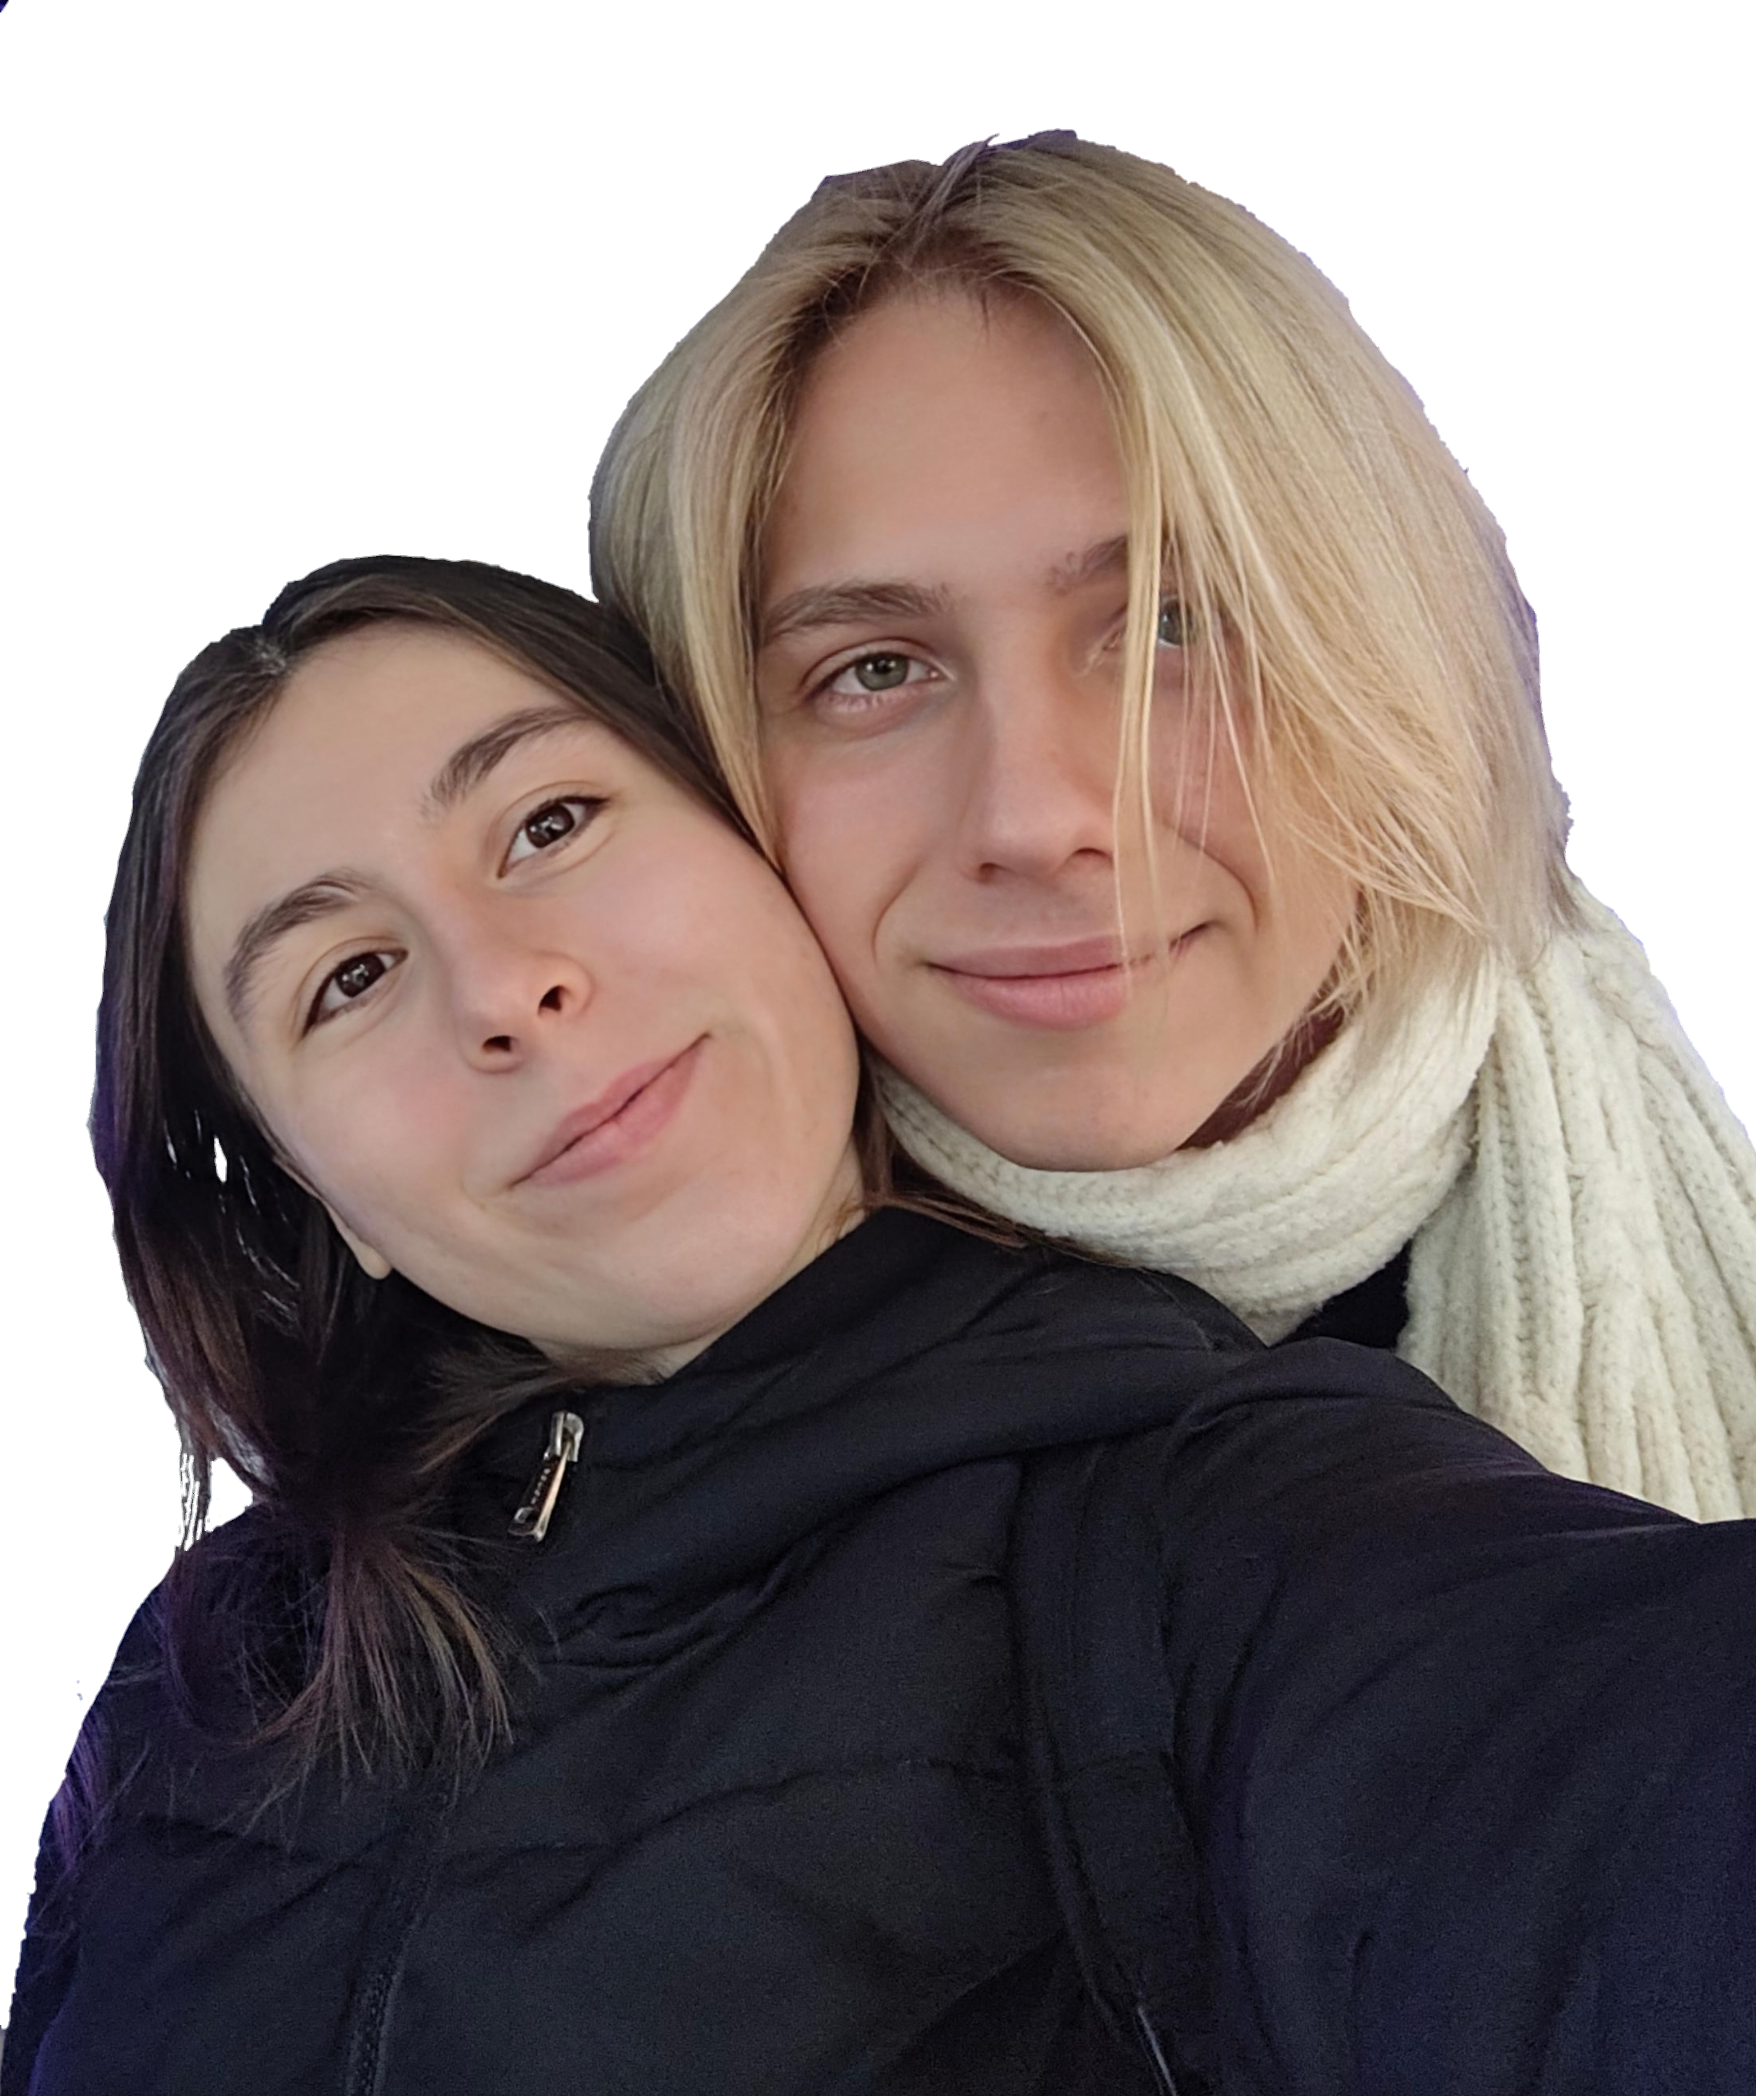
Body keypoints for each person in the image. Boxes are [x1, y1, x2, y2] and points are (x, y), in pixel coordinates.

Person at [3, 556, 1750, 2096]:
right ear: (325, 1200)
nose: (506, 989)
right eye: (349, 978)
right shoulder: (199, 1674)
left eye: (549, 824)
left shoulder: (1182, 1504)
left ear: (761, 851)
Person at [588, 129, 1756, 1524]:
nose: (1034, 820)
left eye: (1172, 626)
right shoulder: (586, 1426)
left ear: (1399, 654)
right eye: (875, 670)